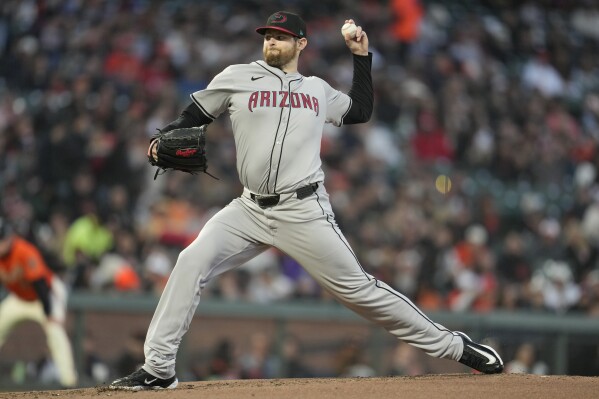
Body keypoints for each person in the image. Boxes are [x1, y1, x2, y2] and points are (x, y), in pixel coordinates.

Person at [109, 11, 503, 390]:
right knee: (190, 261)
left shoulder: (317, 89)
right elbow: (192, 116)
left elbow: (361, 110)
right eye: (267, 36)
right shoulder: (237, 77)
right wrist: (163, 138)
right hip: (247, 208)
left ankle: (457, 347)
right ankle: (158, 369)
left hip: (304, 209)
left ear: (301, 44)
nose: (271, 42)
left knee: (361, 291)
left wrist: (361, 57)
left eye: (280, 37)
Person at [0, 217, 78, 388]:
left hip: (46, 294)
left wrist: (49, 313)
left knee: (55, 331)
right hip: (19, 298)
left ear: (9, 237)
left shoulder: (24, 250)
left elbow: (40, 285)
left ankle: (69, 382)